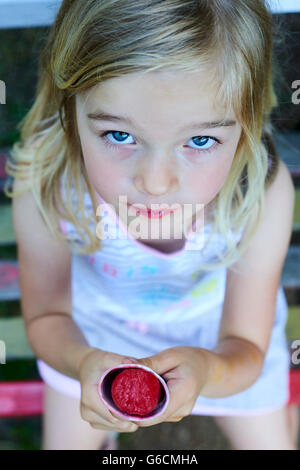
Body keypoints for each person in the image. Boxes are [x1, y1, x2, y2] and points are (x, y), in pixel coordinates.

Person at [5, 0, 299, 450]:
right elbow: (49, 317)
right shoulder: (48, 184)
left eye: (200, 140)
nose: (155, 183)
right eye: (119, 136)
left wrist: (205, 370)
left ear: (247, 121)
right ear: (71, 110)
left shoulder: (258, 191)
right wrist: (83, 361)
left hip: (218, 344)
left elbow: (246, 344)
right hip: (93, 339)